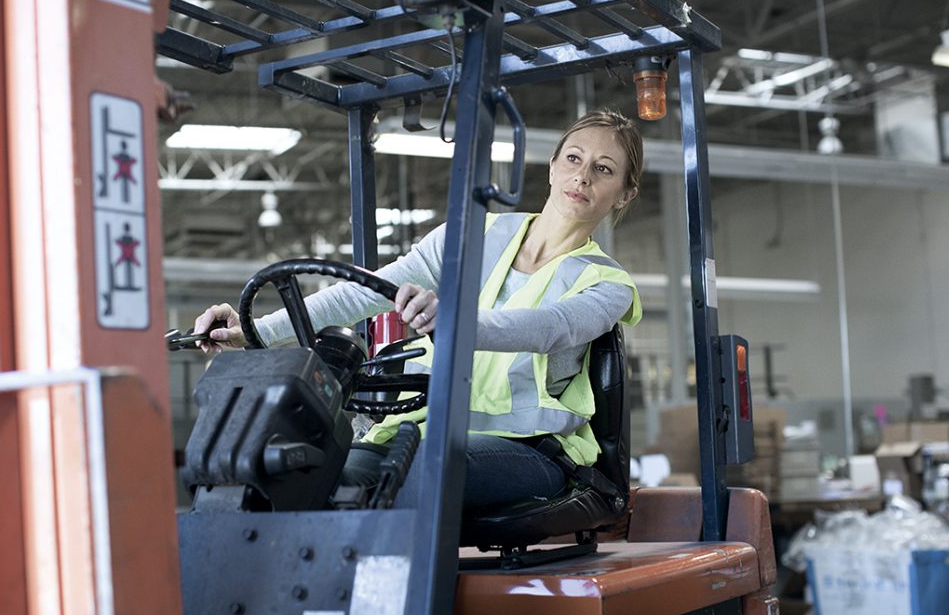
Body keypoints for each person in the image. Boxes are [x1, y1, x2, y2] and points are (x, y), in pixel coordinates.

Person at [193, 108, 643, 511]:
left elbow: (548, 328)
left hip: (530, 450)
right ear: (551, 166)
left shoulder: (608, 285)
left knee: (418, 472)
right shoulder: (472, 236)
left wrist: (448, 320)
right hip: (421, 429)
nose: (582, 177)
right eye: (573, 159)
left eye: (603, 169)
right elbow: (367, 292)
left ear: (623, 194)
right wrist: (255, 330)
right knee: (314, 476)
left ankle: (404, 603)